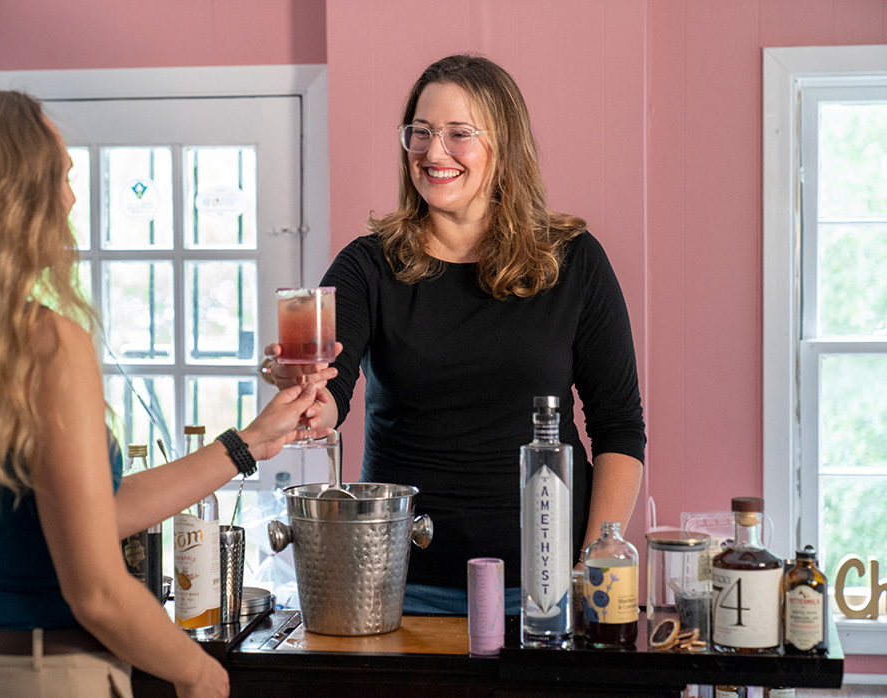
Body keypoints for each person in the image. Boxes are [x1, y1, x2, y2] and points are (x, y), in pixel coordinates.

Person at [0, 90, 330, 698]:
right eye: (60, 177)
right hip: (46, 676)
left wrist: (249, 443)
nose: (71, 199)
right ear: (12, 197)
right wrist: (199, 673)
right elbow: (97, 592)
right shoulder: (49, 343)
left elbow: (91, 515)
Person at [263, 54, 645, 614]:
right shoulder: (367, 266)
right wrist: (300, 391)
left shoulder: (574, 262)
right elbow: (328, 401)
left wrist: (594, 560)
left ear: (505, 144)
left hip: (547, 583)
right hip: (394, 581)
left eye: (458, 134)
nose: (433, 152)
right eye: (420, 132)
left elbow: (619, 428)